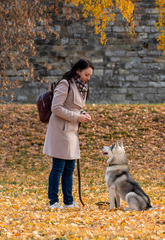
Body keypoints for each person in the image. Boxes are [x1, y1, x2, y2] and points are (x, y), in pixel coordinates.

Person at [43, 59, 94, 209]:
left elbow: (74, 107)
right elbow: (56, 108)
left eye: (90, 75)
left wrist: (83, 114)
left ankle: (68, 201)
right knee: (58, 167)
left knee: (70, 168)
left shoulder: (81, 86)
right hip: (60, 129)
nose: (88, 78)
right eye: (86, 74)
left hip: (71, 130)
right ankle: (53, 202)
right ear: (78, 70)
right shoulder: (65, 84)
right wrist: (77, 117)